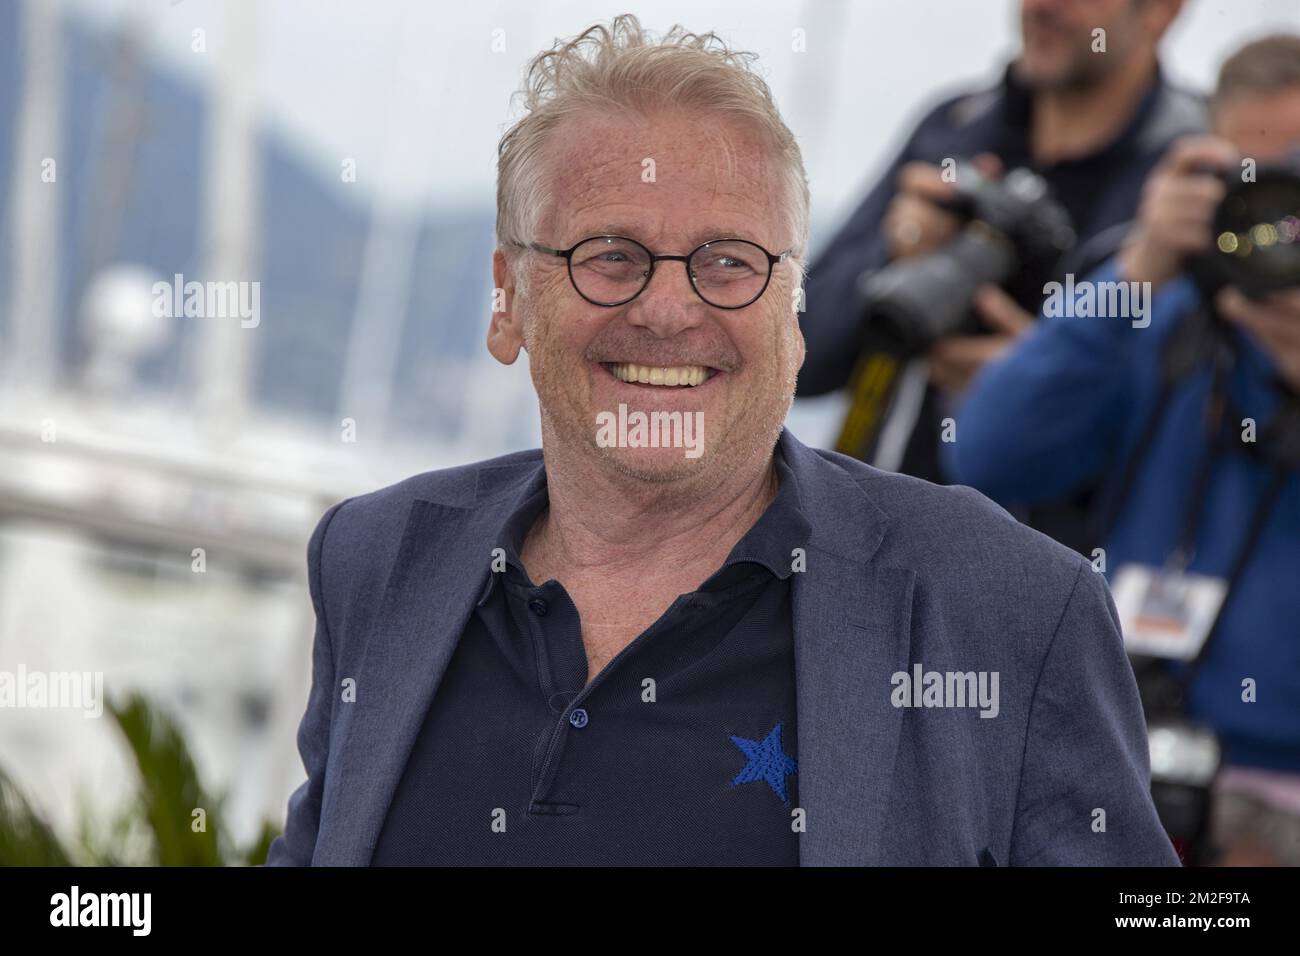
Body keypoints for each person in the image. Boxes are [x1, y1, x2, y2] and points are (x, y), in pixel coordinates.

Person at [266, 15, 1176, 866]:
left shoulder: (1009, 608)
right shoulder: (377, 559)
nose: (669, 310)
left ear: (796, 311)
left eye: (729, 262)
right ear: (508, 302)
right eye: (610, 254)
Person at [946, 35, 1300, 865]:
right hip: (1126, 765)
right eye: (1240, 182)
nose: (1273, 219)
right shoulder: (1162, 316)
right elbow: (990, 453)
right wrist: (1137, 267)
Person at [797, 0, 1201, 553]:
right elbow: (800, 354)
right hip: (870, 552)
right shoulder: (954, 129)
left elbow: (1203, 438)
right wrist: (895, 252)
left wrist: (1034, 383)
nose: (1041, 7)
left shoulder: (1192, 182)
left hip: (1057, 589)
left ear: (1162, 11)